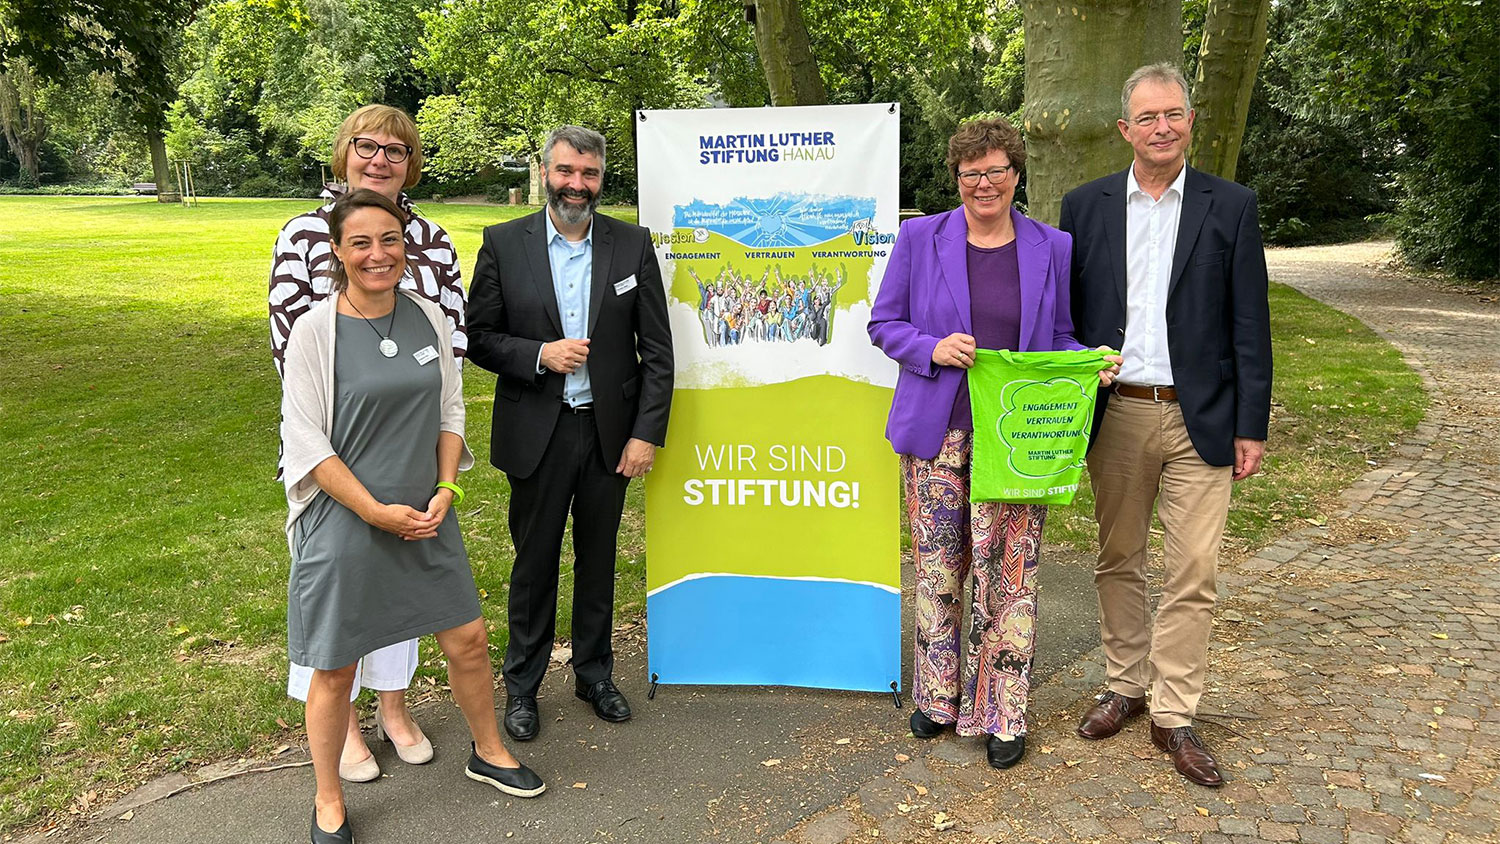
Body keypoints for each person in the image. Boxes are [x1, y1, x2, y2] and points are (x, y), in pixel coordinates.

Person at [280, 189, 544, 844]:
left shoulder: (427, 314)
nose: (378, 254)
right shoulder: (316, 330)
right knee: (336, 666)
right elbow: (306, 443)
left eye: (390, 240)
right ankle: (329, 801)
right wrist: (374, 510)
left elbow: (450, 413)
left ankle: (490, 752)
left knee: (469, 641)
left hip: (426, 510)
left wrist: (447, 490)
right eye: (361, 242)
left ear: (406, 245)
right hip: (346, 518)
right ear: (337, 252)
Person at [868, 118, 1120, 771]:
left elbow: (1059, 335)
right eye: (971, 173)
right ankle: (940, 698)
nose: (984, 184)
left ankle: (1003, 712)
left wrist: (1086, 362)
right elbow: (884, 323)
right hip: (935, 432)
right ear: (956, 178)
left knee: (1010, 576)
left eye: (997, 170)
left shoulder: (1051, 246)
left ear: (1016, 174)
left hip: (1017, 439)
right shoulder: (920, 238)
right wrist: (931, 347)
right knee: (939, 569)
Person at [1060, 63, 1271, 788]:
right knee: (1119, 557)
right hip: (1116, 416)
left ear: (1189, 121)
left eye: (1173, 114)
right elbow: (1065, 315)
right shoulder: (1083, 206)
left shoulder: (1231, 205)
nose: (1161, 128)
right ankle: (1123, 682)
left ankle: (1174, 714)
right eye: (1147, 117)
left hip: (1201, 418)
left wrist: (1253, 423)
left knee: (1194, 571)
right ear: (1125, 129)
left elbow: (1251, 322)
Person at [268, 104, 465, 783]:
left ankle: (395, 708)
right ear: (342, 152)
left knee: (405, 595)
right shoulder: (302, 234)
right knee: (344, 604)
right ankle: (345, 727)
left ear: (412, 164)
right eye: (367, 146)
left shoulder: (434, 239)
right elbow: (296, 349)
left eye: (397, 151)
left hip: (413, 447)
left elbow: (450, 347)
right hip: (336, 449)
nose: (381, 160)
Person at [466, 125, 673, 743]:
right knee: (534, 564)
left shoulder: (632, 245)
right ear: (545, 172)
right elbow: (477, 335)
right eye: (565, 172)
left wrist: (645, 434)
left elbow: (657, 351)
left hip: (609, 435)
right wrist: (539, 354)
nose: (576, 185)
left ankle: (593, 673)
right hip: (539, 432)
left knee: (599, 558)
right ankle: (523, 687)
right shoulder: (505, 244)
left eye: (588, 175)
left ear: (601, 179)